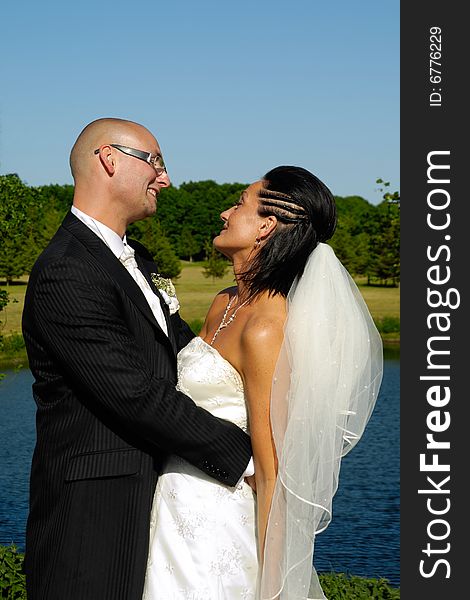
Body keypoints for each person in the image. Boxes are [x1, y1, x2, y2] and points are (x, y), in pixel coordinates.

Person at [21, 117, 253, 600]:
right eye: (156, 162)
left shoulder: (137, 260)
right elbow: (133, 393)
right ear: (109, 159)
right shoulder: (67, 269)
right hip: (95, 516)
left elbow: (188, 357)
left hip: (160, 502)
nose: (165, 179)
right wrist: (243, 454)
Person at [143, 166, 383, 599]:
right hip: (172, 506)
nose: (223, 212)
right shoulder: (223, 303)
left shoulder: (266, 327)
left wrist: (274, 586)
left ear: (266, 226)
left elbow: (273, 473)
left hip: (215, 530)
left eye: (238, 203)